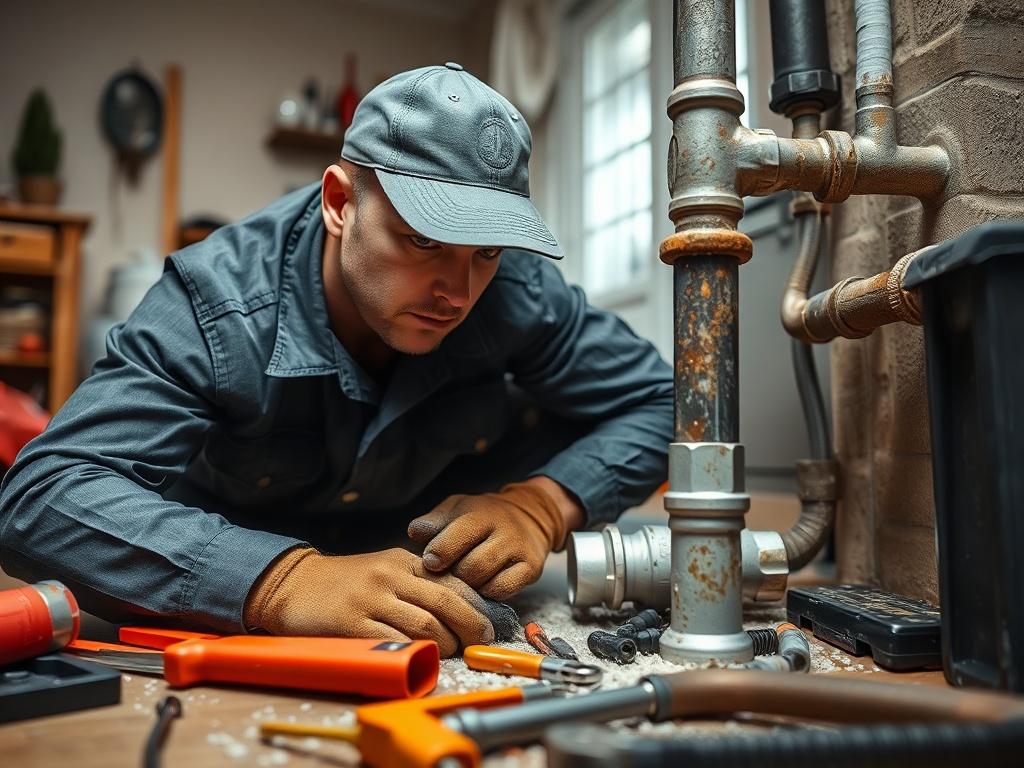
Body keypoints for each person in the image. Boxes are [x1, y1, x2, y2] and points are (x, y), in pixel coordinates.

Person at [0, 63, 672, 658]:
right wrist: (277, 582)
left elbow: (670, 402)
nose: (458, 291)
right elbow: (40, 497)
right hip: (230, 560)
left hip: (426, 573)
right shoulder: (219, 305)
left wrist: (543, 505)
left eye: (486, 252)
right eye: (424, 240)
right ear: (339, 203)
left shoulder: (518, 292)